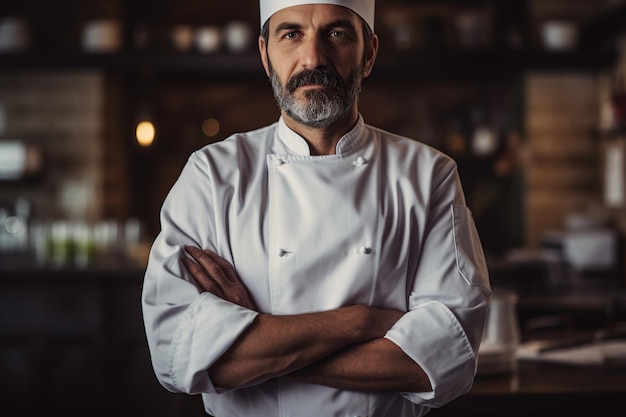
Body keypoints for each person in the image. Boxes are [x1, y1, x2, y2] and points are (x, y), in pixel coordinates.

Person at [141, 1, 492, 416]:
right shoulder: (212, 175)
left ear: (369, 54)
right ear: (264, 54)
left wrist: (258, 342)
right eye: (291, 34)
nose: (313, 58)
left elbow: (443, 361)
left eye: (337, 34)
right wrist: (360, 322)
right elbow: (174, 355)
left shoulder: (428, 175)